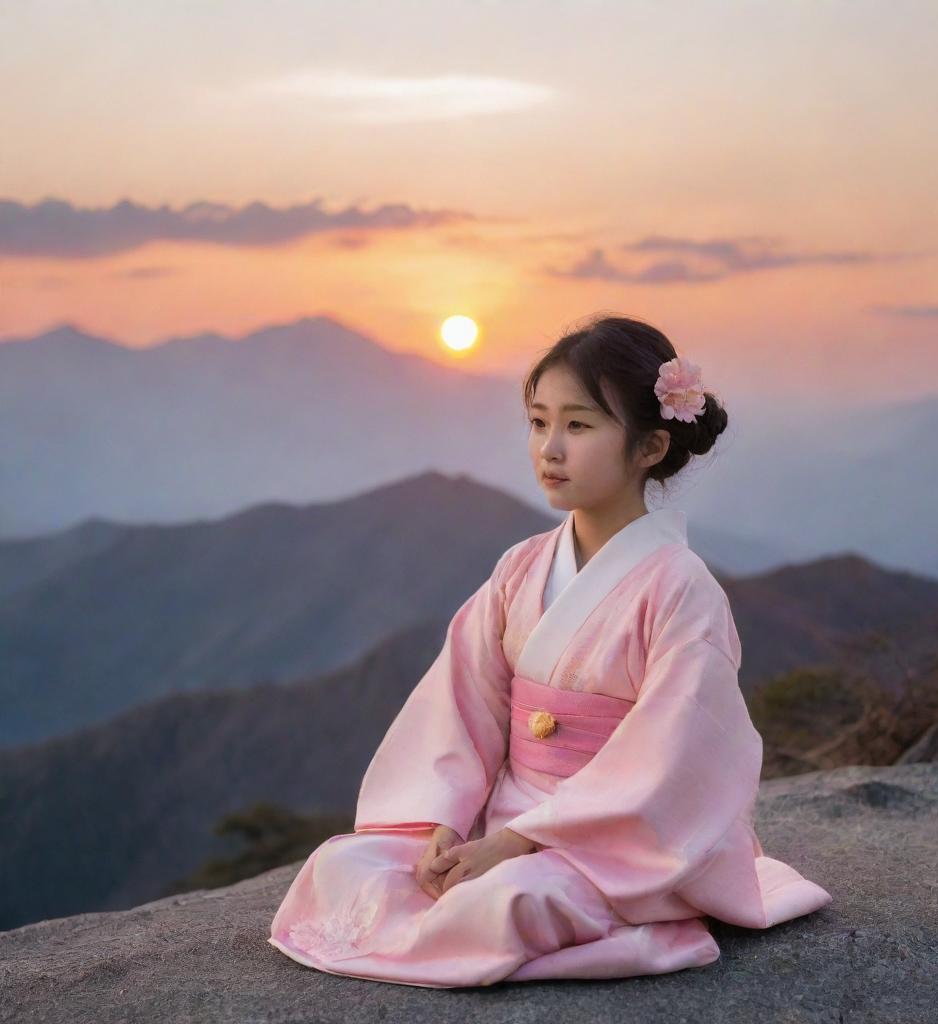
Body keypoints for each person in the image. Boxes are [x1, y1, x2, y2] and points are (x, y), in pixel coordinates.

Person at [267, 313, 833, 987]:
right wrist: (444, 825)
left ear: (650, 447)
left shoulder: (682, 588)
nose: (550, 448)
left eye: (580, 425)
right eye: (538, 423)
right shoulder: (520, 568)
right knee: (344, 866)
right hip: (503, 815)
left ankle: (533, 895)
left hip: (616, 840)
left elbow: (674, 752)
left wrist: (520, 843)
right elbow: (461, 709)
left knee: (510, 900)